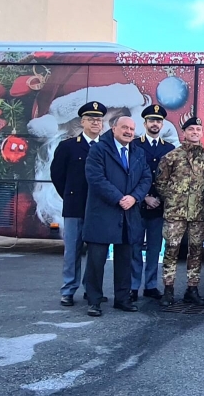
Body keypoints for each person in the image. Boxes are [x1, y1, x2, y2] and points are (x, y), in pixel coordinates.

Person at [82, 116, 152, 317]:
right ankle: (94, 301)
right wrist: (119, 198)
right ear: (113, 129)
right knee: (96, 261)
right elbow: (95, 178)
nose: (129, 132)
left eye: (131, 128)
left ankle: (122, 299)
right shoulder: (98, 149)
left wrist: (135, 197)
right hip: (103, 214)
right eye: (124, 128)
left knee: (125, 259)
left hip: (129, 214)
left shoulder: (138, 152)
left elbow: (146, 178)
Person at [156, 116, 204, 308]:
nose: (195, 133)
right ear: (184, 133)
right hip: (175, 213)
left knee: (196, 252)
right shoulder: (172, 157)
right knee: (171, 250)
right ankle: (168, 290)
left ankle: (192, 289)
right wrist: (173, 199)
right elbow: (160, 183)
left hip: (198, 213)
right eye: (191, 130)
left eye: (198, 130)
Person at [51, 101, 106, 307]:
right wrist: (69, 196)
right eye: (91, 119)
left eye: (99, 119)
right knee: (72, 252)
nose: (95, 123)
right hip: (75, 207)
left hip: (99, 209)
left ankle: (90, 290)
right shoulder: (68, 146)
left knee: (95, 254)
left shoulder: (106, 148)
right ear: (82, 121)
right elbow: (57, 175)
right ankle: (68, 289)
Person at [130, 104, 176, 302]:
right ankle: (132, 286)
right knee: (134, 246)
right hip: (138, 205)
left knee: (155, 248)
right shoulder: (134, 145)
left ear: (162, 124)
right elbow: (130, 176)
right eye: (151, 120)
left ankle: (150, 285)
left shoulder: (169, 148)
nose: (155, 123)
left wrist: (159, 199)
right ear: (145, 123)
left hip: (159, 206)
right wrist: (145, 196)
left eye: (158, 120)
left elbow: (173, 179)